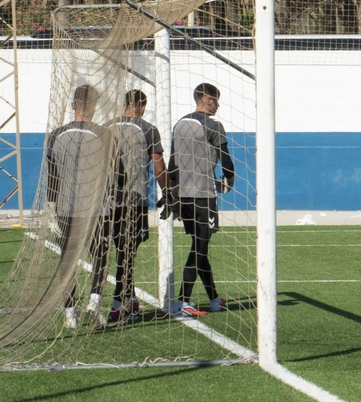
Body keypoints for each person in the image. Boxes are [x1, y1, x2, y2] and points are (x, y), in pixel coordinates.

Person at [44, 84, 114, 328]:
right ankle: (94, 301)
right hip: (96, 209)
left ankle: (70, 315)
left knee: (68, 261)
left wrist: (50, 208)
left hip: (65, 209)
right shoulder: (106, 135)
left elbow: (53, 176)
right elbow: (116, 173)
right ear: (94, 106)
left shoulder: (56, 134)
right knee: (101, 256)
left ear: (73, 105)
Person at [166, 82, 235, 318]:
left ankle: (214, 299)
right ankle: (182, 301)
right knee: (199, 248)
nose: (217, 105)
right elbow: (225, 159)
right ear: (207, 100)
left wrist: (170, 193)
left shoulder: (179, 124)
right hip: (204, 195)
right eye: (216, 100)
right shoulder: (214, 125)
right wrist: (230, 179)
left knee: (199, 246)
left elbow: (172, 163)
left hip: (183, 196)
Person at [105, 89, 168, 323]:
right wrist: (168, 192)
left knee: (122, 251)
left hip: (109, 202)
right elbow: (159, 167)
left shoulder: (107, 127)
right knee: (128, 253)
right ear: (142, 106)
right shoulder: (148, 129)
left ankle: (128, 300)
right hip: (136, 200)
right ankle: (117, 304)